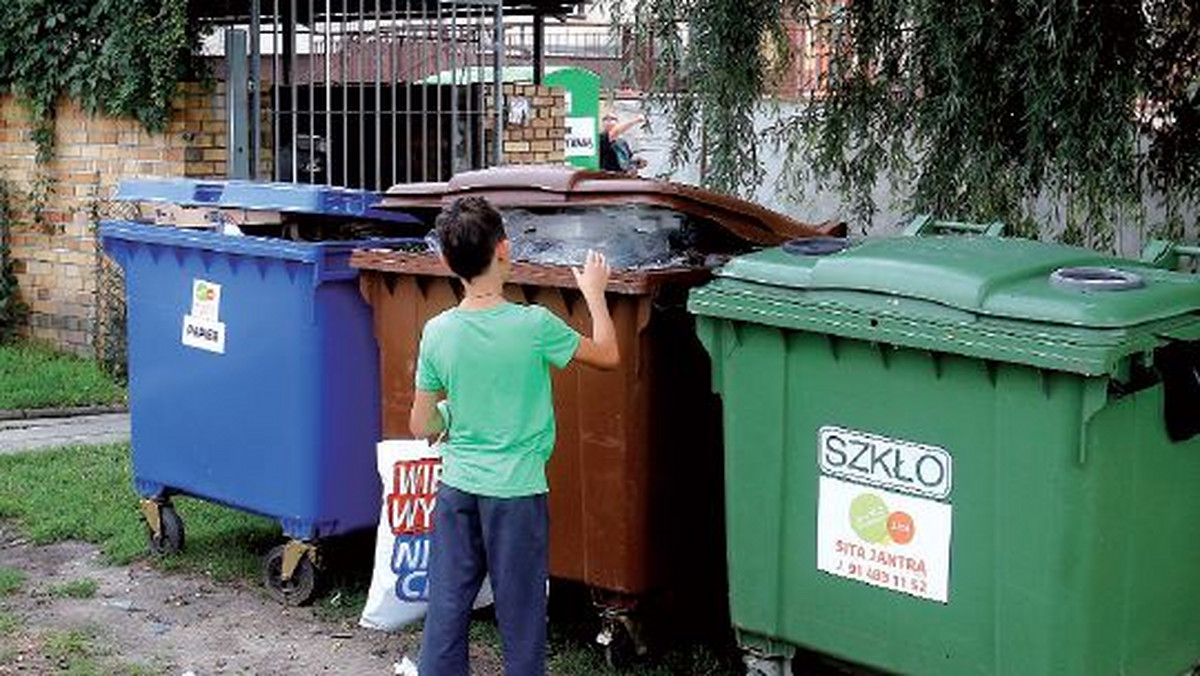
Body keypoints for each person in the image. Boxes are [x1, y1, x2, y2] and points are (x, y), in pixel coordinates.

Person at [409, 196, 620, 676]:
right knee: (521, 617)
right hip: (518, 495)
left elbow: (422, 426)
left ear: (445, 262)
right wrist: (593, 294)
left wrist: (448, 413)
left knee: (446, 607)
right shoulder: (535, 326)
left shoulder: (437, 332)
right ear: (505, 249)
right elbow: (608, 355)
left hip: (458, 489)